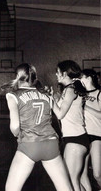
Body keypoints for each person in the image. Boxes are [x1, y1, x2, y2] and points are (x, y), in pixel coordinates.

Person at [4, 63, 72, 191]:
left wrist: (16, 134)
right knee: (65, 188)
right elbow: (59, 114)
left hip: (29, 144)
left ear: (18, 76)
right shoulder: (45, 94)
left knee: (11, 189)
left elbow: (15, 125)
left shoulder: (13, 95)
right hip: (51, 144)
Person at [51, 60, 89, 191]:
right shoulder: (70, 89)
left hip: (75, 139)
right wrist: (54, 98)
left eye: (58, 72)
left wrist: (50, 100)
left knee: (71, 182)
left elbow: (60, 114)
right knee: (78, 181)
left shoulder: (71, 89)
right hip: (76, 138)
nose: (56, 75)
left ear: (65, 73)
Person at [80, 69, 101, 190]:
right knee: (82, 174)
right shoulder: (81, 95)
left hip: (96, 135)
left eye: (81, 77)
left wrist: (86, 107)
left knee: (97, 174)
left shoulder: (99, 93)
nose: (79, 80)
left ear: (88, 78)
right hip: (83, 135)